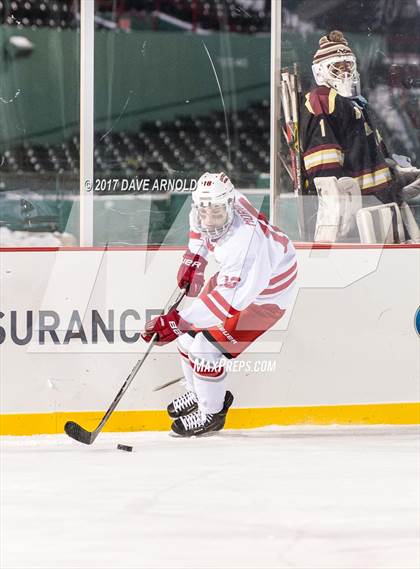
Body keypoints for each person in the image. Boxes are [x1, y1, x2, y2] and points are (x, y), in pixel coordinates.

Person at [142, 172, 297, 437]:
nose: (211, 220)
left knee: (204, 349)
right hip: (241, 280)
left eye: (217, 214)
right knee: (186, 341)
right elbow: (198, 230)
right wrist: (195, 259)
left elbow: (226, 305)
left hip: (267, 295)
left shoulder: (243, 244)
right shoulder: (208, 206)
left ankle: (211, 413)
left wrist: (176, 322)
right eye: (206, 213)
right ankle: (197, 393)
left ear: (230, 208)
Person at [299, 30, 420, 242]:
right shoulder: (322, 99)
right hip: (359, 214)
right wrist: (338, 205)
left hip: (381, 202)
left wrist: (395, 175)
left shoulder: (357, 102)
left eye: (348, 65)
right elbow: (325, 169)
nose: (345, 72)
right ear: (320, 71)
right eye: (338, 66)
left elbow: (372, 153)